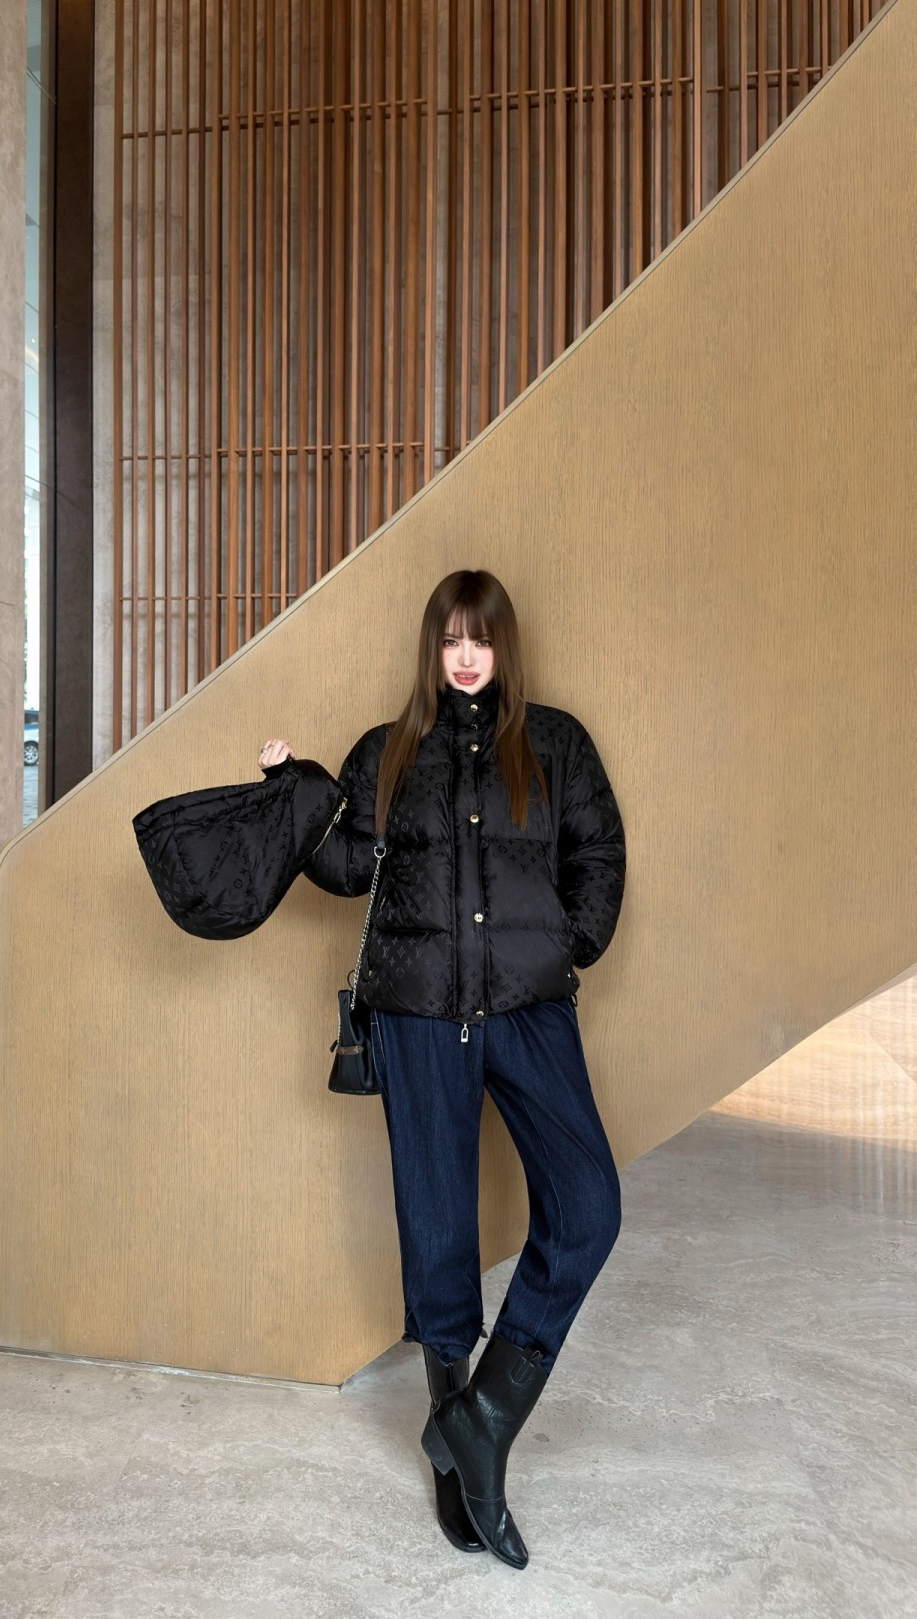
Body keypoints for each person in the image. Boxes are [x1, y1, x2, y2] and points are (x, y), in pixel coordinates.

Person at [256, 568, 625, 1571]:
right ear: (434, 648)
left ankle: (482, 1420)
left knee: (588, 1202)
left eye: (482, 638)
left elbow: (597, 851)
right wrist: (296, 789)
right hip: (418, 1014)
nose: (467, 656)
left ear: (505, 646)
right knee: (438, 1221)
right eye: (452, 639)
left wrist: (567, 941)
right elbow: (348, 867)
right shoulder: (390, 751)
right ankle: (457, 1450)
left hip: (528, 1008)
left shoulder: (555, 744)